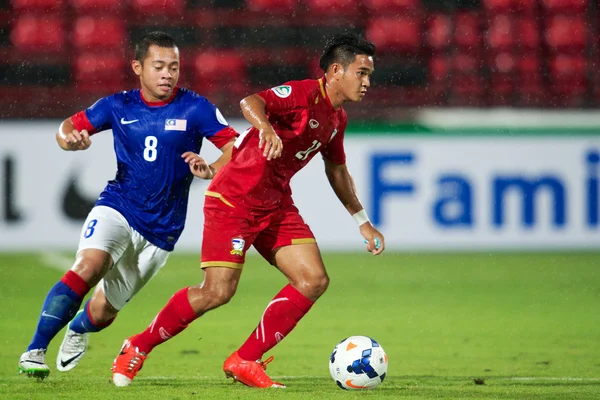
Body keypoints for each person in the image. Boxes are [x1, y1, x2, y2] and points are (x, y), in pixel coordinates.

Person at [111, 32, 384, 388]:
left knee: (313, 280)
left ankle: (245, 359)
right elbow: (250, 101)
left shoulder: (337, 119)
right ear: (336, 71)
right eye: (361, 73)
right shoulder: (303, 94)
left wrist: (362, 221)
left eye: (369, 75)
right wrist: (266, 126)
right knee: (217, 292)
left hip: (275, 203)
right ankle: (137, 345)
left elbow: (336, 170)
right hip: (234, 199)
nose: (367, 82)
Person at [18, 31, 238, 380]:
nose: (168, 74)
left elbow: (236, 150)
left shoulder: (196, 107)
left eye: (174, 67)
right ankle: (35, 350)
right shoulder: (116, 106)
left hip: (162, 229)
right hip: (117, 206)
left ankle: (77, 329)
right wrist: (69, 142)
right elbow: (66, 129)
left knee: (104, 312)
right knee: (88, 266)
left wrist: (211, 169)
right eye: (159, 66)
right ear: (138, 67)